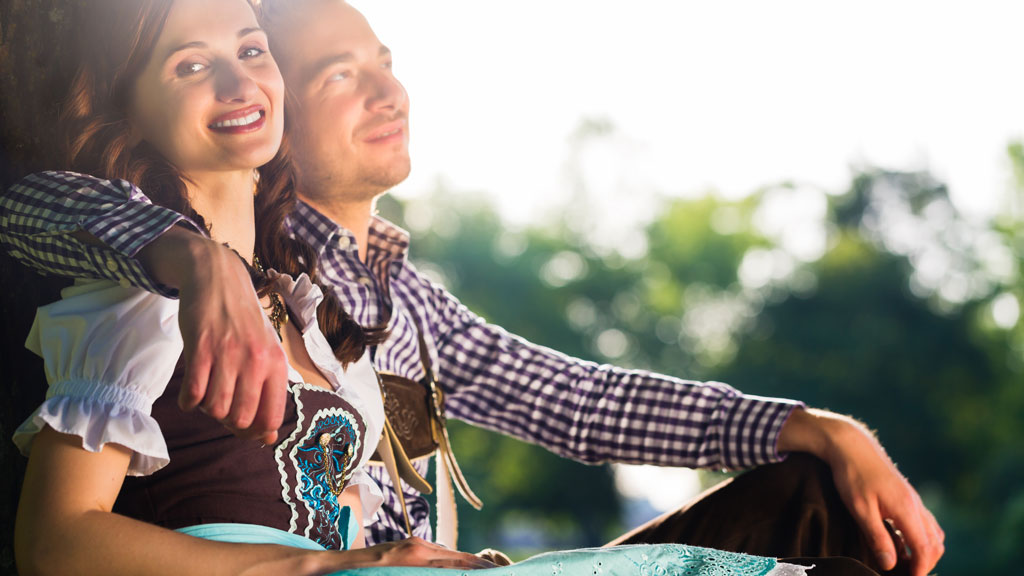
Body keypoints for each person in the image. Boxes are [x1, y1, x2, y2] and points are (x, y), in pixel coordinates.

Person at [0, 0, 944, 575]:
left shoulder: (399, 301)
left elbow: (580, 398)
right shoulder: (185, 259)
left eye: (387, 64)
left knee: (822, 498)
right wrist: (183, 252)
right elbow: (32, 201)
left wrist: (802, 424)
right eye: (339, 74)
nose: (389, 93)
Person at [9, 0, 496, 573]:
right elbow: (55, 545)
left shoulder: (305, 308)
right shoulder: (143, 298)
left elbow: (329, 531)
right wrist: (320, 567)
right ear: (130, 109)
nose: (239, 83)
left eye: (250, 51)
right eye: (190, 66)